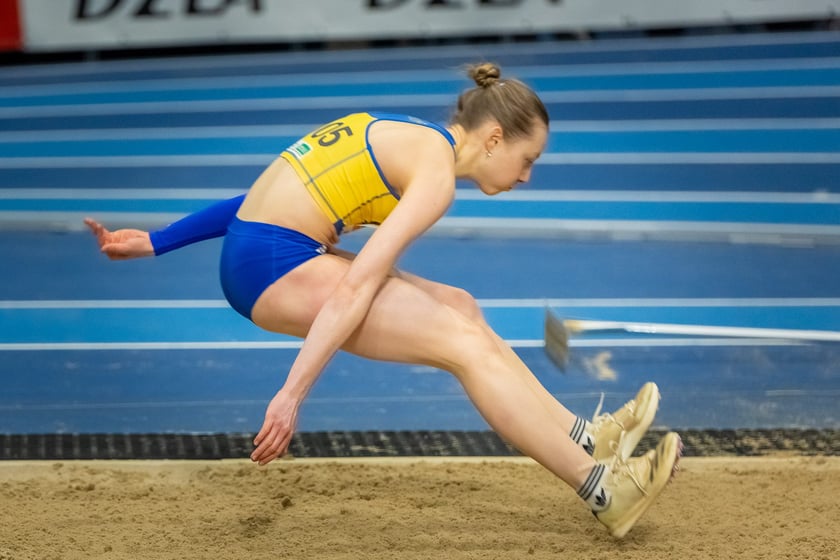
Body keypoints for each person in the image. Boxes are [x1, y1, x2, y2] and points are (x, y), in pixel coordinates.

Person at [85, 62, 680, 538]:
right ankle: (603, 489)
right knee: (461, 343)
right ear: (495, 138)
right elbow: (356, 285)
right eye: (528, 160)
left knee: (463, 307)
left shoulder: (409, 136)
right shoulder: (436, 176)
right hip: (271, 267)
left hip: (261, 247)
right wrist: (291, 395)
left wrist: (160, 241)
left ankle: (581, 435)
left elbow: (269, 187)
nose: (526, 176)